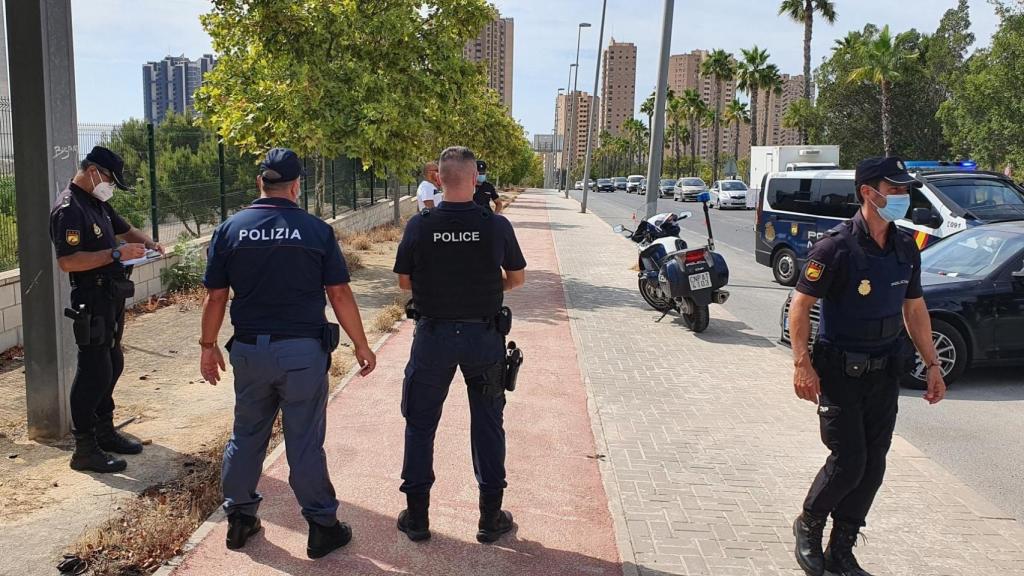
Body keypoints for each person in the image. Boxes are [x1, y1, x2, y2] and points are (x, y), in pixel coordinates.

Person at [198, 148, 377, 558]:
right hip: (301, 353)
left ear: (261, 182)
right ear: (298, 186)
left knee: (246, 436)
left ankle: (240, 520)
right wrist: (361, 344)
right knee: (304, 441)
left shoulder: (230, 229)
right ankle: (321, 526)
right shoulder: (316, 231)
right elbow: (339, 292)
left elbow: (215, 297)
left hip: (248, 351)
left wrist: (207, 348)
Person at [789, 157, 946, 576]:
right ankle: (808, 524)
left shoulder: (904, 246)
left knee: (874, 464)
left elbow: (914, 309)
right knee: (850, 461)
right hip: (840, 371)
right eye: (893, 189)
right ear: (867, 192)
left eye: (903, 189)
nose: (902, 196)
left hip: (883, 371)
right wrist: (802, 365)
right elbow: (800, 308)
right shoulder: (835, 246)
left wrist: (933, 365)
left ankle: (842, 547)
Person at [393, 146, 526, 544]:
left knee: (420, 424)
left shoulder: (421, 224)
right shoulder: (496, 225)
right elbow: (516, 279)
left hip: (432, 337)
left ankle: (417, 518)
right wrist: (485, 288)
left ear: (440, 179)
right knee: (487, 424)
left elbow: (403, 283)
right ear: (473, 179)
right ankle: (489, 518)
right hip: (483, 338)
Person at [49, 146, 164, 474]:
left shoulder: (97, 203)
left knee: (112, 362)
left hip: (110, 297)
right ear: (94, 171)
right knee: (93, 370)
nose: (110, 185)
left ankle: (105, 430)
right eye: (110, 178)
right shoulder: (69, 209)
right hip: (90, 299)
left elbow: (125, 231)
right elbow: (67, 261)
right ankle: (84, 448)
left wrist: (151, 244)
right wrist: (116, 256)